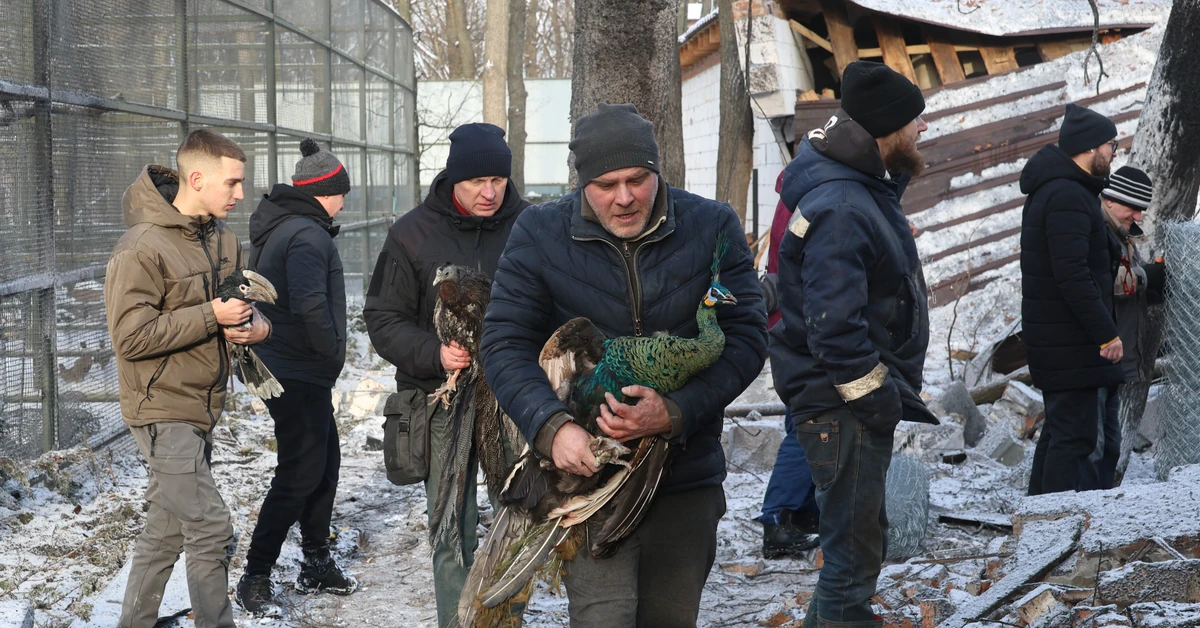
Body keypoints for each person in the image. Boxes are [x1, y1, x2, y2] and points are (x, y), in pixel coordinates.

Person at [480, 103, 768, 627]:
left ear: (658, 171)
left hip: (685, 478)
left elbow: (747, 338)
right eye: (606, 184)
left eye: (638, 179)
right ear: (582, 183)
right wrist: (554, 428)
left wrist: (677, 412)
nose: (625, 196)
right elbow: (502, 343)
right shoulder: (539, 235)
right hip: (589, 485)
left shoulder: (712, 227)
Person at [769, 61, 937, 628]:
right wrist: (876, 398)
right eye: (915, 121)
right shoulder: (842, 205)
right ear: (888, 129)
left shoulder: (858, 188)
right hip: (842, 408)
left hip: (843, 406)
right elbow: (833, 325)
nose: (922, 131)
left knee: (856, 547)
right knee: (852, 555)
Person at [363, 122, 529, 626]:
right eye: (477, 181)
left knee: (520, 517)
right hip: (441, 399)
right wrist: (434, 354)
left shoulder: (531, 226)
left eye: (498, 180)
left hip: (515, 399)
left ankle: (505, 619)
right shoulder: (413, 233)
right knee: (452, 527)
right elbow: (383, 318)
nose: (489, 192)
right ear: (452, 179)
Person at [106, 129, 269, 628]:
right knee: (210, 527)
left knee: (166, 530)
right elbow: (129, 339)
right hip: (160, 409)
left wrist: (256, 327)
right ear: (197, 179)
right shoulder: (140, 247)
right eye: (233, 183)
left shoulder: (224, 239)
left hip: (204, 406)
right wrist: (210, 316)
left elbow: (240, 310)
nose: (240, 195)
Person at [234, 138, 357, 615]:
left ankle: (315, 560)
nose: (345, 200)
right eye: (341, 191)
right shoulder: (307, 235)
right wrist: (331, 353)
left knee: (324, 463)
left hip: (293, 368)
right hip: (298, 370)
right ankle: (256, 574)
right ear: (324, 191)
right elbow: (309, 304)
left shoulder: (286, 227)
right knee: (300, 472)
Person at [1021, 104, 1124, 496]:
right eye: (1111, 145)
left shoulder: (1066, 190)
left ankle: (1038, 526)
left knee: (1062, 435)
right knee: (1074, 439)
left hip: (1063, 340)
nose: (1114, 153)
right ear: (1089, 148)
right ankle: (1053, 531)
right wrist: (1105, 334)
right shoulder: (1066, 195)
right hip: (1070, 343)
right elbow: (1072, 274)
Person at [757, 171, 821, 559]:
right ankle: (777, 520)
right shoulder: (810, 196)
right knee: (807, 423)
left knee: (802, 421)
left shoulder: (796, 192)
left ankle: (801, 513)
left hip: (789, 323)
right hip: (798, 324)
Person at [1100, 166, 1166, 383]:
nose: (1138, 216)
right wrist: (1147, 277)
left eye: (1141, 209)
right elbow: (1105, 284)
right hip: (1105, 359)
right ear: (1110, 200)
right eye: (1133, 207)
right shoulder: (1098, 232)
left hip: (1121, 358)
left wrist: (1155, 288)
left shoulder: (1121, 232)